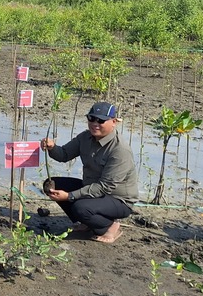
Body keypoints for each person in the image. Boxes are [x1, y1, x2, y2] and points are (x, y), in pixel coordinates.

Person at [40, 101, 138, 243]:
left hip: (118, 199)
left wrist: (69, 196)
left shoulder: (120, 150)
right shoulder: (85, 137)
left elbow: (104, 187)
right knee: (52, 185)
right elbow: (64, 155)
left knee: (81, 208)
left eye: (101, 120)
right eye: (91, 118)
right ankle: (87, 223)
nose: (95, 123)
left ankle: (110, 227)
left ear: (114, 122)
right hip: (93, 190)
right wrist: (52, 147)